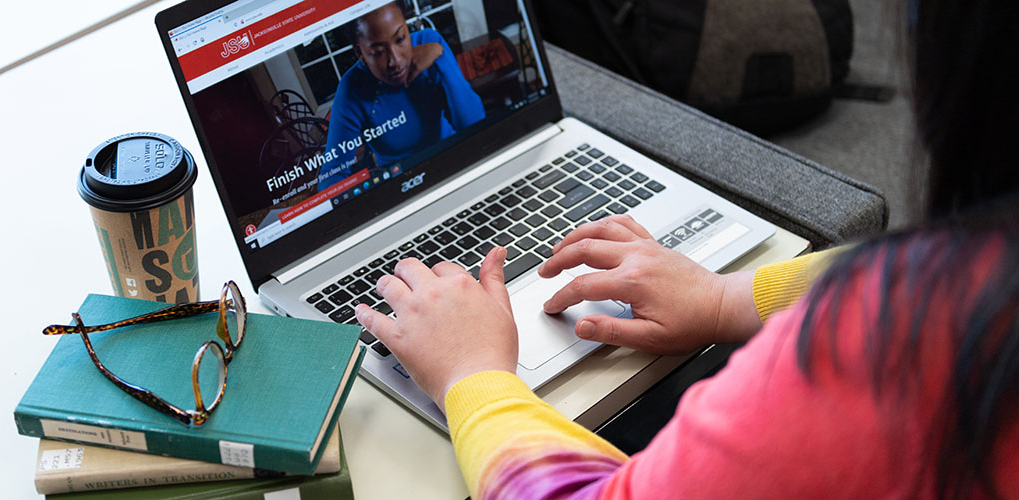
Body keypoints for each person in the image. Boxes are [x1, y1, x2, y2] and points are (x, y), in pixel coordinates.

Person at [352, 0, 1019, 498]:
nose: (395, 53)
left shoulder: (881, 355)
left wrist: (473, 374)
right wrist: (730, 296)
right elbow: (337, 177)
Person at [316, 2, 485, 190]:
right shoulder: (351, 88)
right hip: (401, 186)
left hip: (453, 165)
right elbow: (330, 179)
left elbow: (474, 124)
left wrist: (439, 55)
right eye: (378, 52)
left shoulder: (429, 41)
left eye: (401, 39)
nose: (395, 61)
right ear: (360, 53)